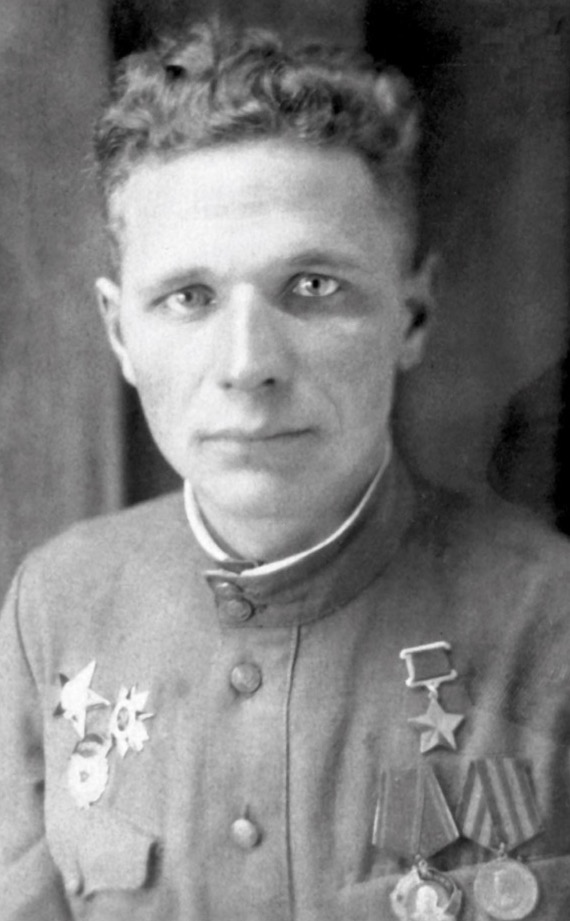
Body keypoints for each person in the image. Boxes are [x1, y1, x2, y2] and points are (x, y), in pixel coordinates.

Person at [1, 19, 570, 921]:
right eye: (188, 297)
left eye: (312, 287)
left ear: (412, 314)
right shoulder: (56, 607)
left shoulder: (549, 620)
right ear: (120, 331)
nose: (248, 364)